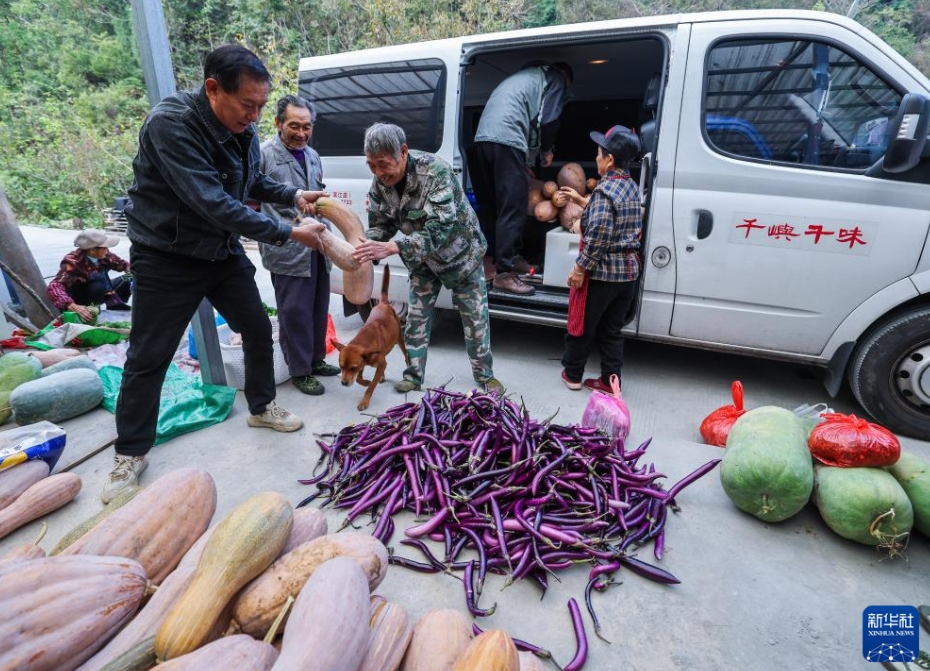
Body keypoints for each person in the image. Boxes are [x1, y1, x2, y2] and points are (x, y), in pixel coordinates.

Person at [102, 44, 328, 503]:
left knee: (257, 328)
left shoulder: (241, 127)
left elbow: (249, 184)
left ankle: (261, 406)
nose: (255, 116)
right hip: (167, 255)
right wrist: (288, 232)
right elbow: (214, 201)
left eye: (262, 106)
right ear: (212, 89)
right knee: (150, 355)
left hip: (219, 252)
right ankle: (130, 452)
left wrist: (294, 194)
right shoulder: (171, 125)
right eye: (248, 105)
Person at [353, 122, 503, 394]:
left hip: (461, 256)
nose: (378, 173)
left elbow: (442, 226)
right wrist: (367, 244)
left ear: (403, 151)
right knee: (417, 319)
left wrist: (396, 247)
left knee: (475, 320)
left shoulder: (436, 171)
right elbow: (381, 222)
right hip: (422, 259)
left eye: (384, 164)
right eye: (371, 166)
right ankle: (413, 375)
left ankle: (485, 375)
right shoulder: (380, 182)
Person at [257, 95, 340, 396]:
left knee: (318, 305)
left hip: (318, 244)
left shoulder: (313, 155)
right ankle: (300, 370)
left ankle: (316, 359)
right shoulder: (263, 154)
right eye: (294, 126)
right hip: (287, 247)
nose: (301, 133)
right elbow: (254, 200)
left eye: (307, 127)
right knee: (294, 311)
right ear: (278, 123)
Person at [470, 62, 573, 296]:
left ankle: (506, 258)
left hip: (481, 144)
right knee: (513, 207)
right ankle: (505, 274)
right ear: (566, 78)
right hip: (507, 140)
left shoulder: (523, 79)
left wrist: (522, 161)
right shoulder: (555, 78)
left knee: (493, 207)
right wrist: (547, 149)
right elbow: (549, 120)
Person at [558, 125, 643, 394]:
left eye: (599, 153)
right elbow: (614, 217)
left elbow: (598, 238)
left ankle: (572, 374)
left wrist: (580, 269)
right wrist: (583, 200)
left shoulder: (605, 191)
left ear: (610, 159)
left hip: (603, 274)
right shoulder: (629, 187)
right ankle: (610, 380)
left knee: (582, 325)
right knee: (612, 330)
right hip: (627, 274)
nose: (596, 158)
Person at [46, 230, 132, 322]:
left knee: (129, 277)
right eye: (104, 248)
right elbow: (54, 286)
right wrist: (71, 305)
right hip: (80, 298)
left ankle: (115, 305)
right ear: (92, 250)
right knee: (97, 284)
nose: (107, 251)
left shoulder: (104, 255)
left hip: (105, 290)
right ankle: (88, 312)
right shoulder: (73, 262)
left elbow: (122, 264)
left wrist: (131, 270)